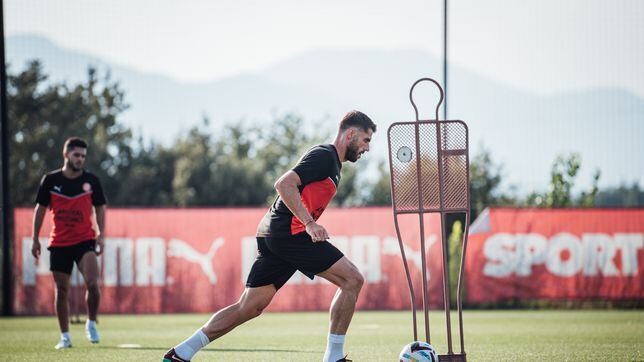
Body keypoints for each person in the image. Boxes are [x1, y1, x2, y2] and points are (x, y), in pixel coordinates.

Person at [163, 110, 376, 362]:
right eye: (366, 140)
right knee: (352, 280)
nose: (367, 148)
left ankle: (181, 353)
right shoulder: (324, 156)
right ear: (350, 133)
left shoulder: (333, 163)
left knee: (250, 306)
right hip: (289, 234)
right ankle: (333, 358)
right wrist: (309, 223)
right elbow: (283, 184)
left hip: (276, 235)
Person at [31, 137, 107, 349]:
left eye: (83, 156)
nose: (80, 159)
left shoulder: (92, 180)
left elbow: (100, 207)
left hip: (85, 240)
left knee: (93, 284)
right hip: (59, 243)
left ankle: (91, 322)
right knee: (61, 291)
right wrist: (35, 238)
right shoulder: (50, 180)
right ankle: (65, 337)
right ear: (66, 155)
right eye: (76, 155)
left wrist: (101, 234)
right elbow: (40, 209)